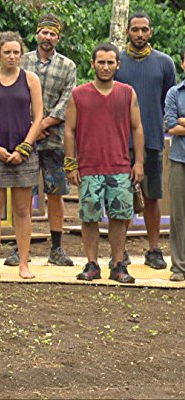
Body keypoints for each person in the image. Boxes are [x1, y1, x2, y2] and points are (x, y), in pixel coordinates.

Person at [64, 43, 144, 283]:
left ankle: (118, 264)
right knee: (89, 218)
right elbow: (69, 130)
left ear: (118, 65)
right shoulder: (78, 94)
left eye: (110, 62)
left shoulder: (127, 93)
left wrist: (138, 162)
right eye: (101, 62)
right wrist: (71, 164)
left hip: (120, 167)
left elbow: (137, 128)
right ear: (93, 64)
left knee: (120, 218)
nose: (106, 67)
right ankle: (91, 264)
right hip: (89, 168)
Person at [4, 13, 76, 267]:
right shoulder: (21, 61)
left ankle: (56, 248)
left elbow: (66, 101)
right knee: (23, 194)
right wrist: (31, 129)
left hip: (54, 141)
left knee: (56, 194)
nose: (47, 37)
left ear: (58, 37)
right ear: (37, 34)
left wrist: (43, 124)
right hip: (24, 140)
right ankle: (18, 247)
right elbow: (12, 92)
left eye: (52, 33)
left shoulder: (68, 66)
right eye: (44, 32)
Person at [0, 31, 43, 279]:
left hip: (24, 154)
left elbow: (38, 118)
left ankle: (23, 263)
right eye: (7, 52)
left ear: (22, 54)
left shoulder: (31, 80)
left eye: (16, 52)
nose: (12, 57)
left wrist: (24, 147)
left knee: (23, 210)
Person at [115, 12, 176, 270]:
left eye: (144, 30)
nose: (139, 34)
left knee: (152, 197)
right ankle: (120, 251)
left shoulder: (164, 63)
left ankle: (154, 249)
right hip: (119, 142)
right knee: (121, 198)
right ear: (128, 31)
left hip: (151, 141)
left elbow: (169, 100)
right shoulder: (116, 62)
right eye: (135, 29)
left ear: (151, 32)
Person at [164, 49, 185, 281]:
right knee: (179, 215)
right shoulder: (174, 93)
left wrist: (183, 120)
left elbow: (178, 124)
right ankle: (179, 267)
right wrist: (177, 122)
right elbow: (170, 126)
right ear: (182, 64)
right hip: (179, 159)